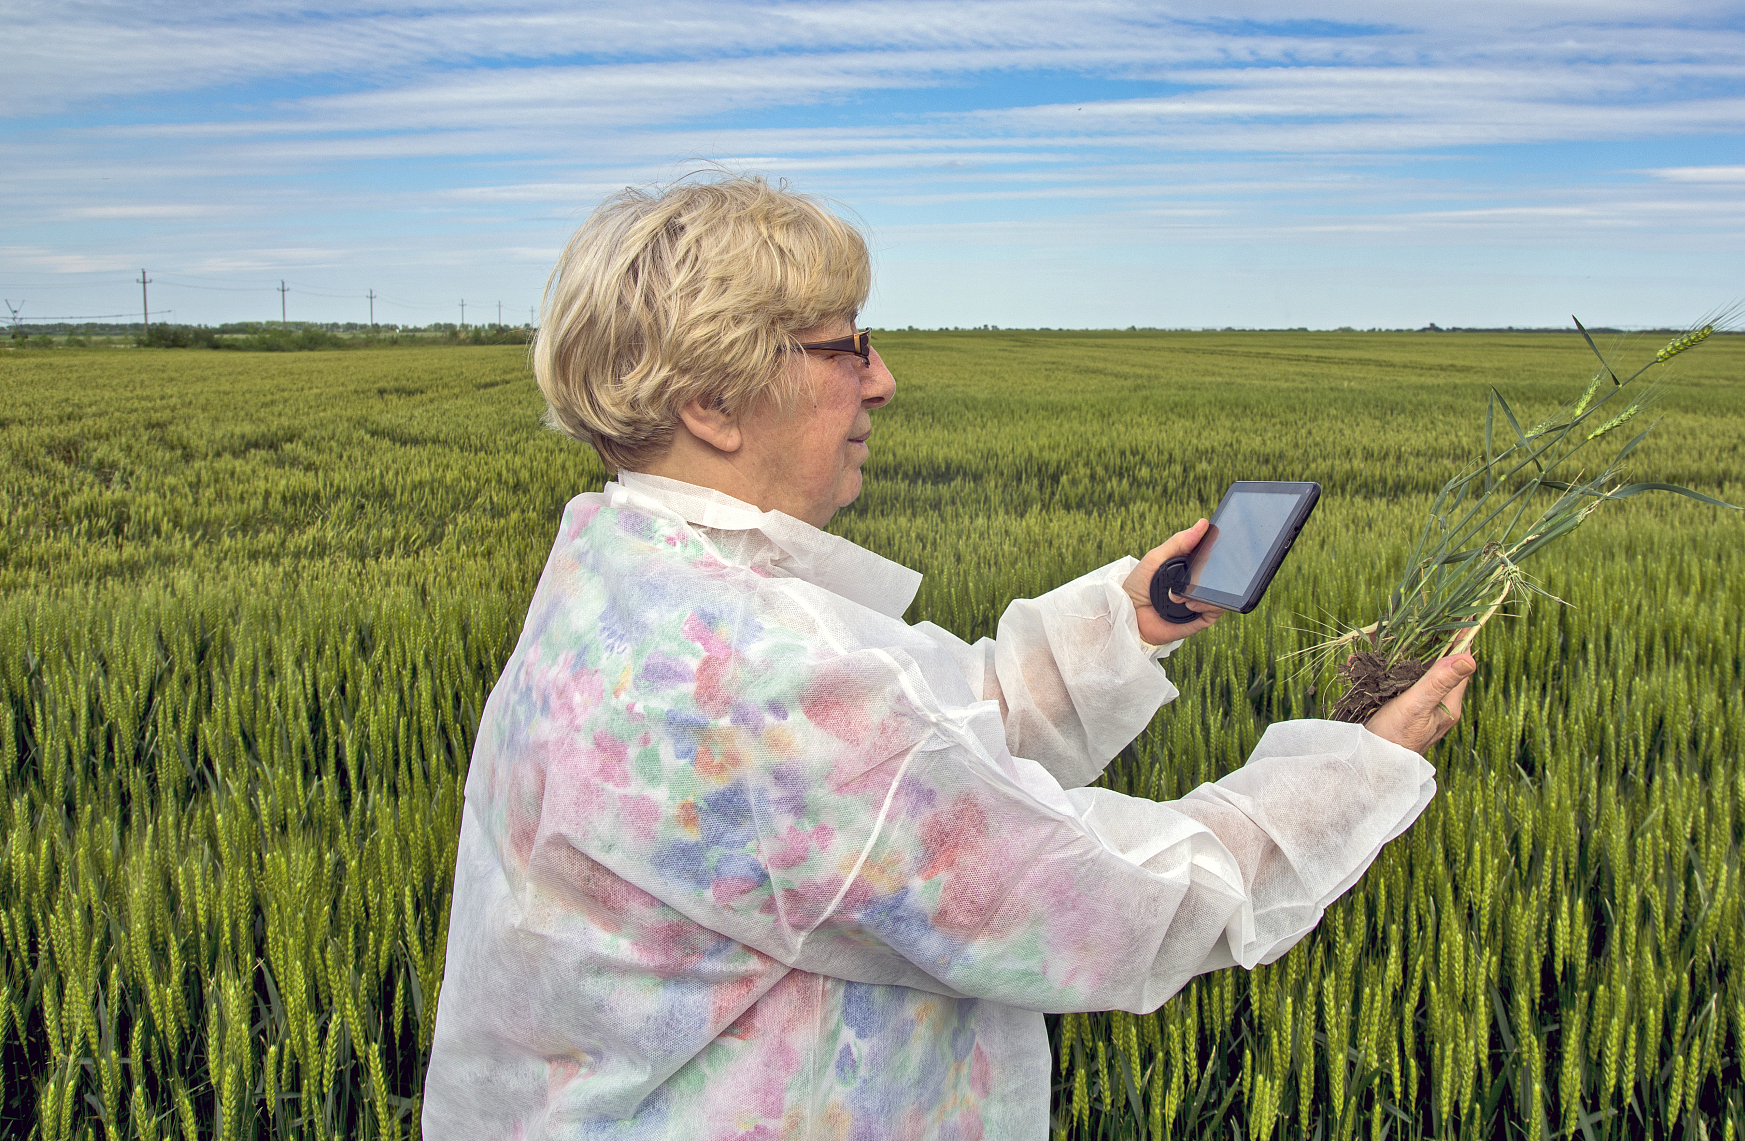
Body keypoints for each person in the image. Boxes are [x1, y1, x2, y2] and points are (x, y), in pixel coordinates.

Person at [422, 174, 1475, 1139]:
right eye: (845, 348)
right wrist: (1356, 770)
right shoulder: (753, 677)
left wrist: (1131, 620)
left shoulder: (631, 579)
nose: (881, 380)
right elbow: (1096, 905)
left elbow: (920, 744)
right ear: (712, 402)